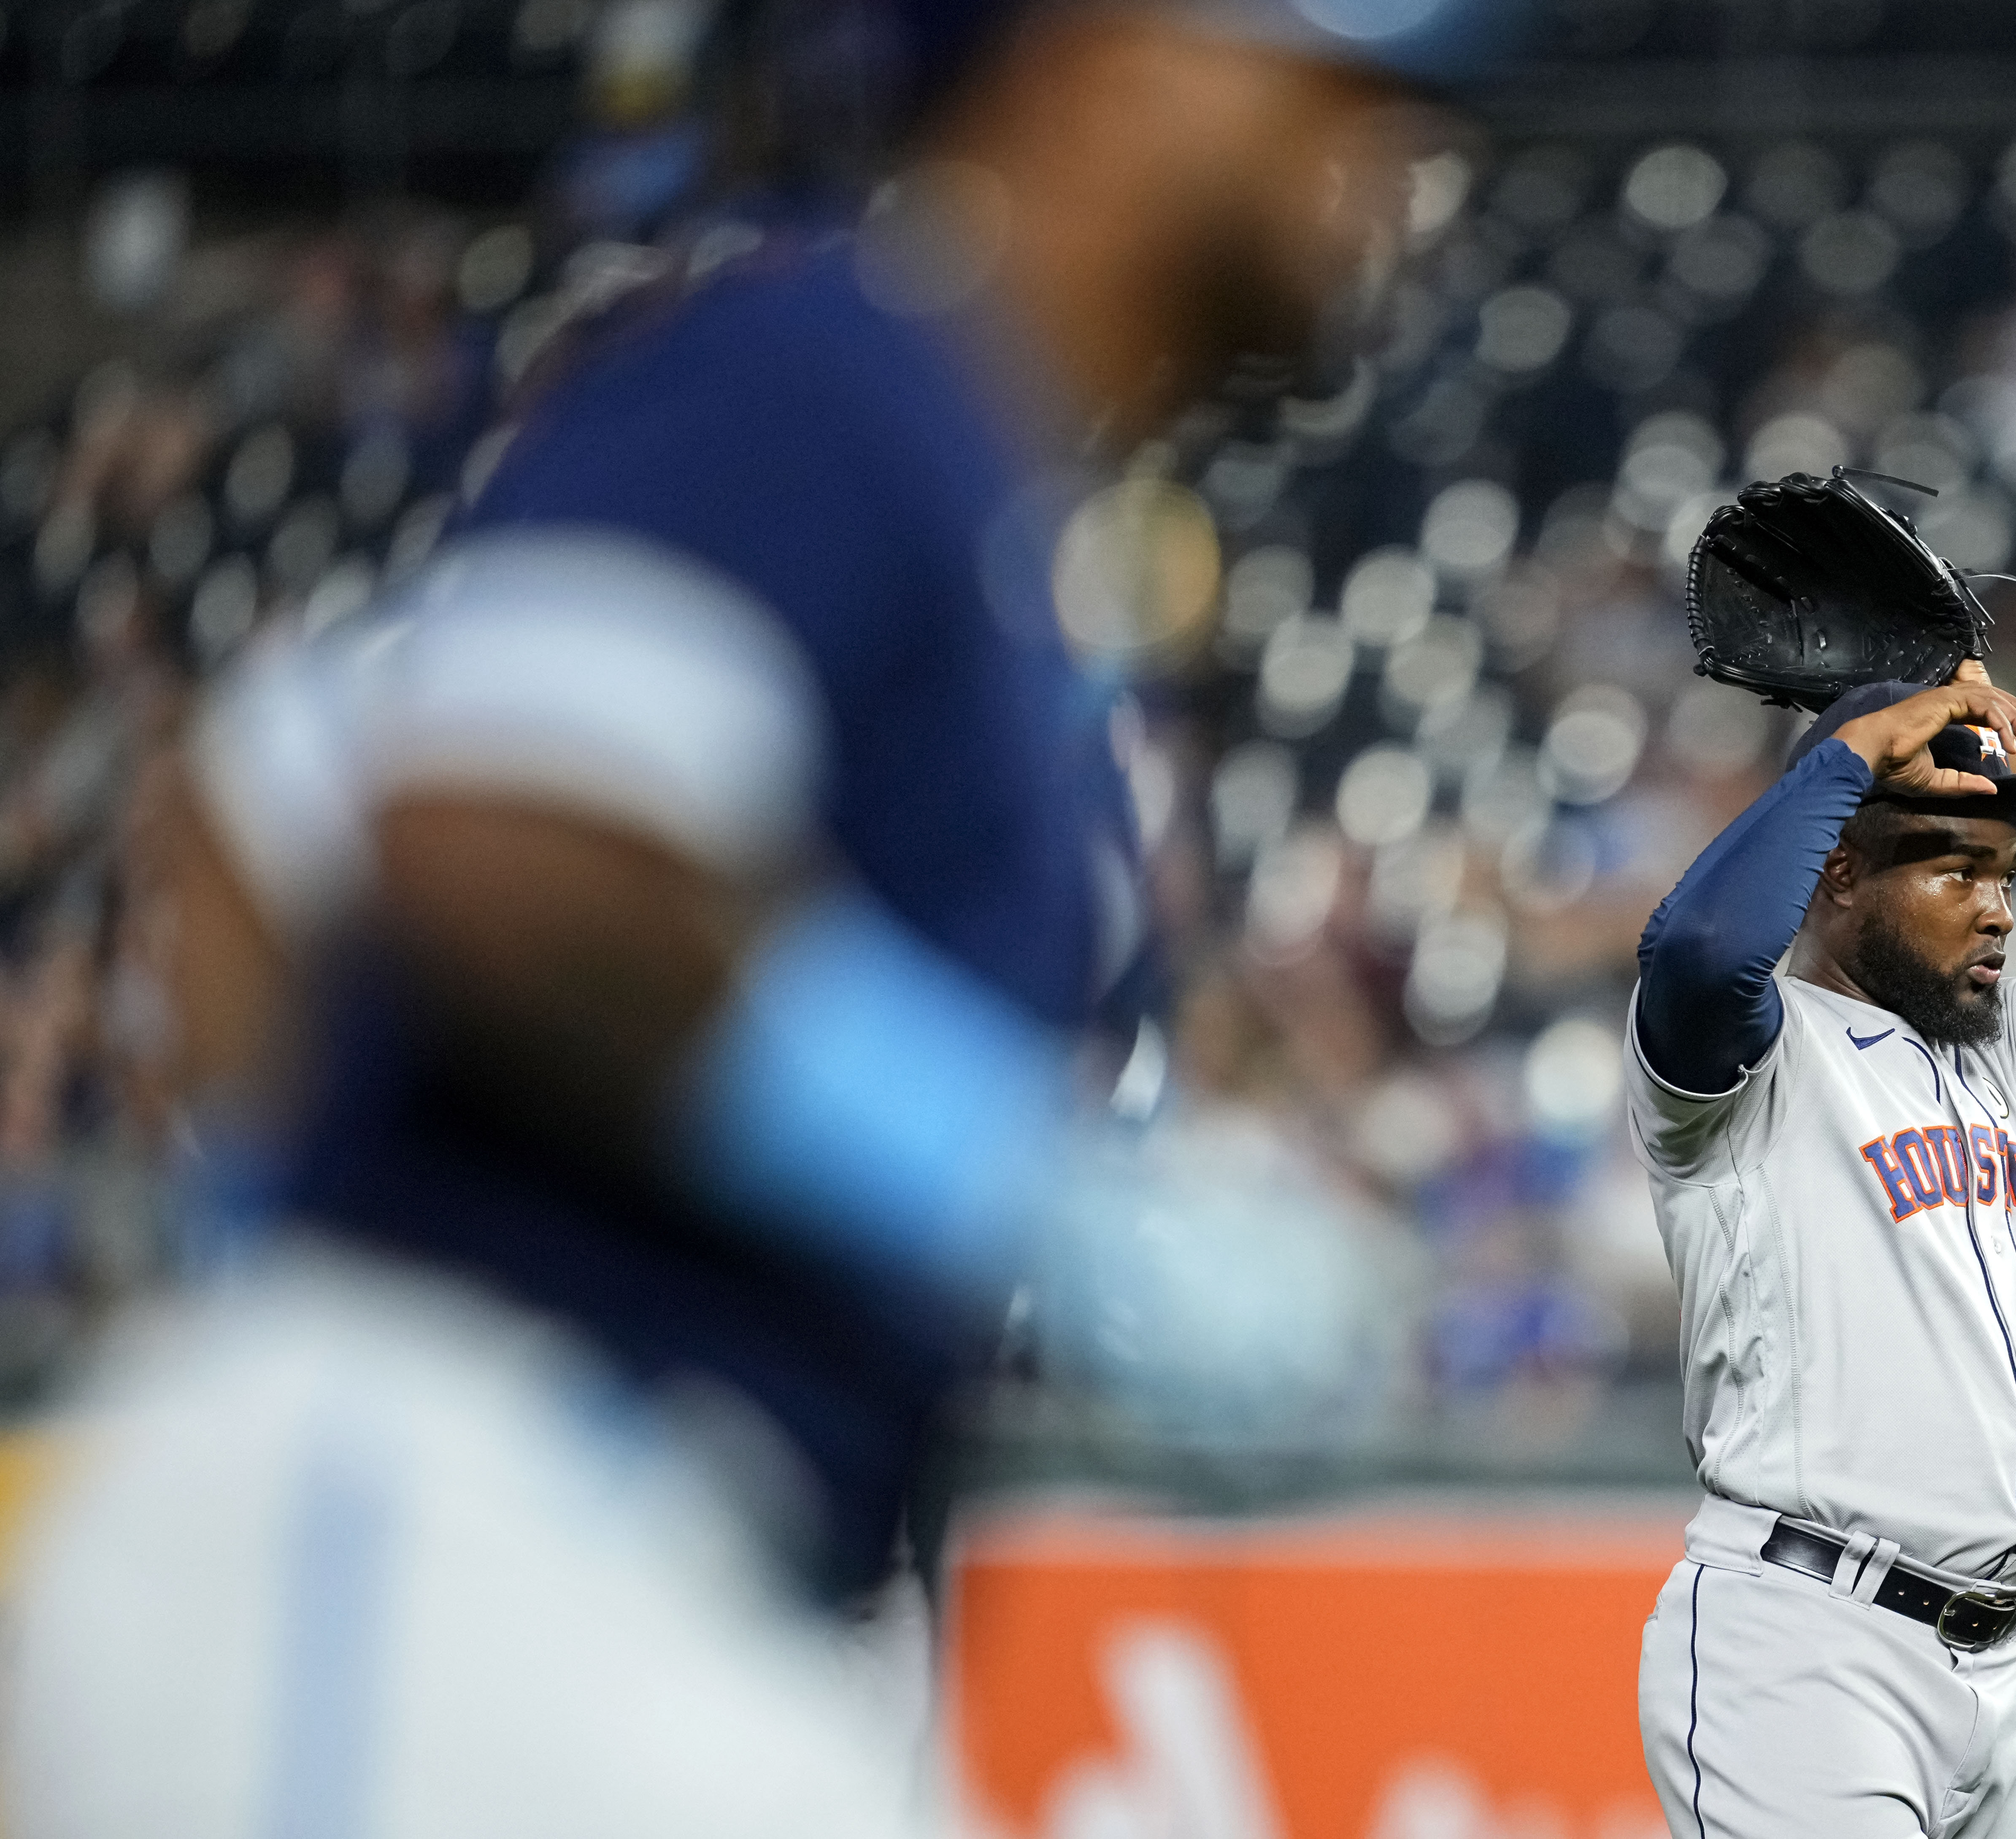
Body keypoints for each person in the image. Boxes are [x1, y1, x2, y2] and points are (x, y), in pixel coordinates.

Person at [3, 1, 1472, 1832]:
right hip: (467, 1510)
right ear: (1113, 66)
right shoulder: (820, 363)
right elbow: (437, 813)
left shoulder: (992, 517)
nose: (1406, 167)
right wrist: (992, 1168)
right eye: (1342, 92)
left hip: (711, 1572)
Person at [1628, 663, 2016, 1839]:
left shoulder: (1993, 1057)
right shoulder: (1748, 1065)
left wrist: (2013, 748)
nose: (1997, 908)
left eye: (2006, 873)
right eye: (1955, 868)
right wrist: (1853, 753)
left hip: (1995, 1671)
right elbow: (1704, 947)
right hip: (1804, 1647)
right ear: (1839, 874)